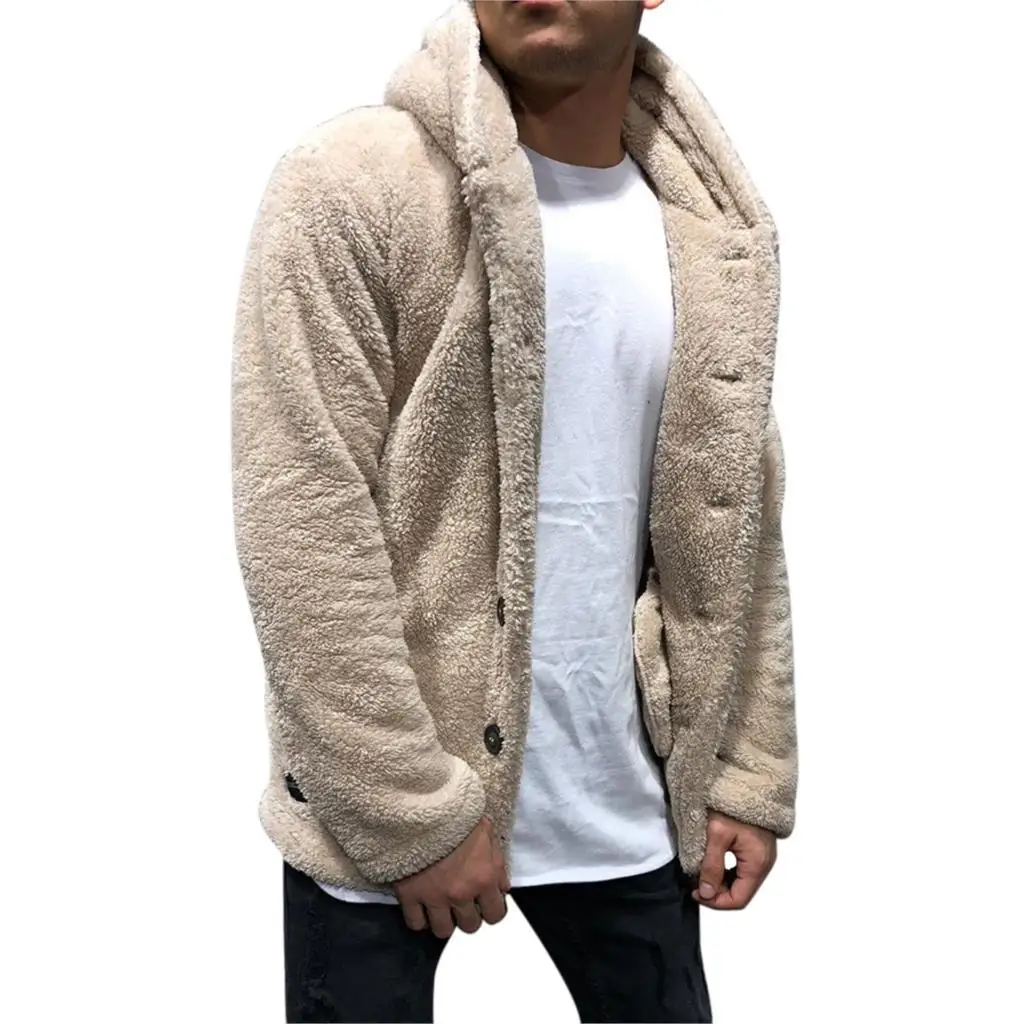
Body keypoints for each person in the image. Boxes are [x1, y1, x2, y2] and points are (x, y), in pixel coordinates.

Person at [230, 1, 797, 1020]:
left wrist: (745, 768)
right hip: (382, 812)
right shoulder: (352, 183)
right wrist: (407, 814)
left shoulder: (708, 230)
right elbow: (302, 516)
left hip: (629, 797)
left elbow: (737, 517)